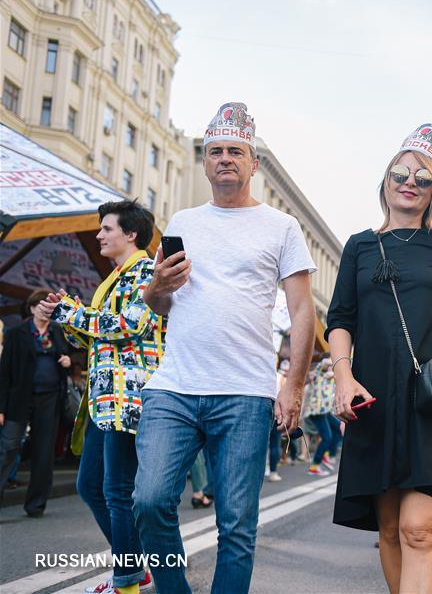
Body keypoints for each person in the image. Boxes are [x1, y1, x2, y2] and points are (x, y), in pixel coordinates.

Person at [134, 103, 318, 594]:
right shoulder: (183, 220)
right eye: (215, 151)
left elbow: (303, 312)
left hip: (244, 393)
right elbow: (159, 306)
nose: (224, 159)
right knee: (149, 502)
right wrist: (157, 286)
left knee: (236, 526)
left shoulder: (281, 227)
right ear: (205, 162)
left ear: (253, 163)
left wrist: (293, 388)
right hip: (174, 388)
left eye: (235, 151)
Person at [326, 123, 432, 593]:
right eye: (400, 174)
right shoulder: (360, 246)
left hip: (430, 401)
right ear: (385, 182)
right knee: (389, 530)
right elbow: (340, 318)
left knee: (418, 527)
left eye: (423, 177)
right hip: (374, 397)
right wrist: (343, 378)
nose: (409, 183)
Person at [39, 200, 163, 594]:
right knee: (90, 486)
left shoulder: (146, 271)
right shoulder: (114, 277)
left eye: (106, 228)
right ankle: (136, 564)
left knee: (116, 491)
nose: (99, 235)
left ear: (131, 234)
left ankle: (127, 579)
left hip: (129, 398)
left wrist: (72, 314)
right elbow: (96, 338)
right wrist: (65, 312)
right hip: (103, 399)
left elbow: (130, 325)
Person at [0, 289, 71, 517]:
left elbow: (65, 355)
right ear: (31, 308)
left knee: (44, 453)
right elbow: (4, 373)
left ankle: (36, 504)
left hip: (49, 398)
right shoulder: (16, 333)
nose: (46, 311)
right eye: (42, 306)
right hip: (18, 399)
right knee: (8, 449)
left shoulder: (57, 331)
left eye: (49, 308)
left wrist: (67, 360)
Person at [303, 357, 342, 476]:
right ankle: (315, 465)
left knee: (338, 428)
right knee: (327, 437)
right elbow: (323, 365)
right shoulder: (318, 375)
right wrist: (334, 360)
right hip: (316, 411)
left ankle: (327, 455)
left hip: (325, 411)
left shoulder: (332, 378)